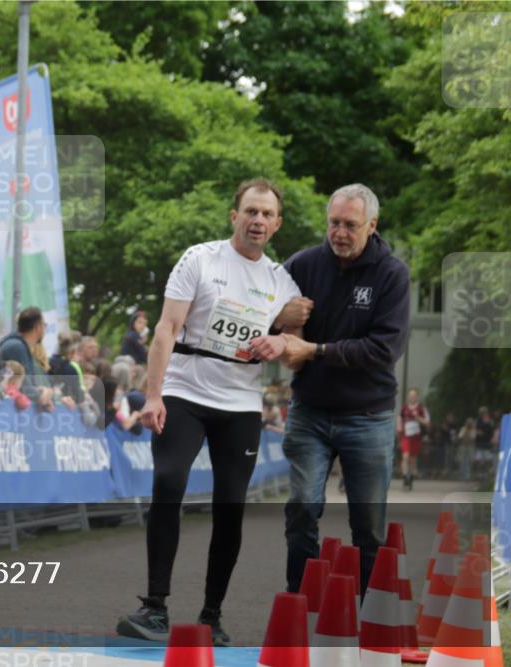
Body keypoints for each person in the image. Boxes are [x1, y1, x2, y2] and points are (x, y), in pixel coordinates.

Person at [117, 178, 306, 645]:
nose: (257, 220)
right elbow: (166, 328)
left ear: (277, 224)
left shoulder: (281, 281)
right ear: (234, 216)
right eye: (250, 211)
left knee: (230, 509)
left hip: (240, 404)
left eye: (266, 214)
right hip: (184, 390)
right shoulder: (200, 259)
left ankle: (211, 614)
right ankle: (154, 607)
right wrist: (154, 394)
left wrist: (280, 340)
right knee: (168, 482)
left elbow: (296, 342)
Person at [254, 183, 411, 598]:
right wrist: (279, 316)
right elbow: (257, 304)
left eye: (350, 225)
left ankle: (368, 619)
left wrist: (315, 350)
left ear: (372, 226)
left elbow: (384, 349)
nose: (339, 233)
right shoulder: (304, 264)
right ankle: (301, 603)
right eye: (334, 223)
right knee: (302, 508)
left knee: (368, 525)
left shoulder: (392, 275)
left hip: (369, 416)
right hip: (310, 411)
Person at [0, 307, 54, 411]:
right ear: (38, 328)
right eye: (44, 325)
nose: (44, 329)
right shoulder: (17, 347)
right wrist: (42, 395)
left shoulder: (20, 346)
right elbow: (23, 387)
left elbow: (27, 384)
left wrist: (44, 392)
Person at [397, 388, 430, 490]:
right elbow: (399, 418)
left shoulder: (421, 408)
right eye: (410, 395)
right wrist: (398, 427)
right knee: (405, 456)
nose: (412, 397)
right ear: (408, 397)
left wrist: (418, 418)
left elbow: (427, 423)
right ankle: (405, 478)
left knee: (412, 460)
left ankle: (410, 478)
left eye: (414, 395)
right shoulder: (404, 408)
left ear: (417, 397)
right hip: (406, 436)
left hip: (416, 437)